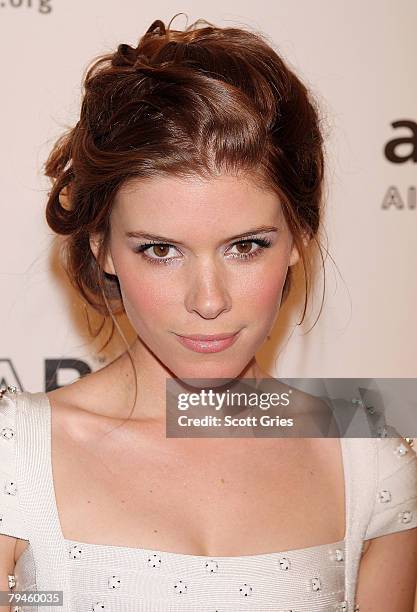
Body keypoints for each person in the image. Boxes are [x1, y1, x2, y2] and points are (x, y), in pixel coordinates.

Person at [1, 15, 416, 612]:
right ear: (103, 248)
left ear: (298, 237)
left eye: (246, 246)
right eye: (160, 250)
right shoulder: (14, 456)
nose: (209, 300)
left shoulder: (368, 461)